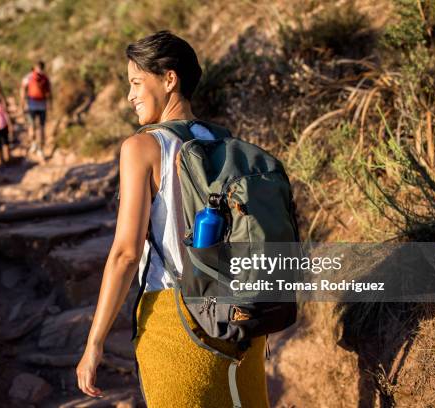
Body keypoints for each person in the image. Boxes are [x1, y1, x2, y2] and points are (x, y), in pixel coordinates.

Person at [76, 31, 269, 407]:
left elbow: (125, 255)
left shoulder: (143, 147)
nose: (130, 96)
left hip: (178, 321)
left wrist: (94, 343)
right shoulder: (227, 143)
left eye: (135, 83)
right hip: (244, 319)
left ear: (169, 78)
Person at [20, 60, 51, 161]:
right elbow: (49, 93)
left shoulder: (28, 77)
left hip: (31, 106)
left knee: (32, 127)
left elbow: (22, 90)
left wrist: (22, 104)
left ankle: (34, 144)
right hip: (42, 106)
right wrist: (50, 105)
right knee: (41, 128)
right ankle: (40, 149)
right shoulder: (45, 78)